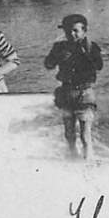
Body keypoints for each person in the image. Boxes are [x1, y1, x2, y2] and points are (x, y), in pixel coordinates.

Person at [44, 14, 103, 159]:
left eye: (76, 30)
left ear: (84, 31)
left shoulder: (91, 47)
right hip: (66, 92)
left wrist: (86, 54)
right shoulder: (59, 47)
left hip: (84, 93)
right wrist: (56, 55)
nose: (71, 34)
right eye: (68, 31)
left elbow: (99, 66)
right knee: (69, 133)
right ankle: (73, 158)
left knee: (85, 134)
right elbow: (48, 65)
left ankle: (88, 159)